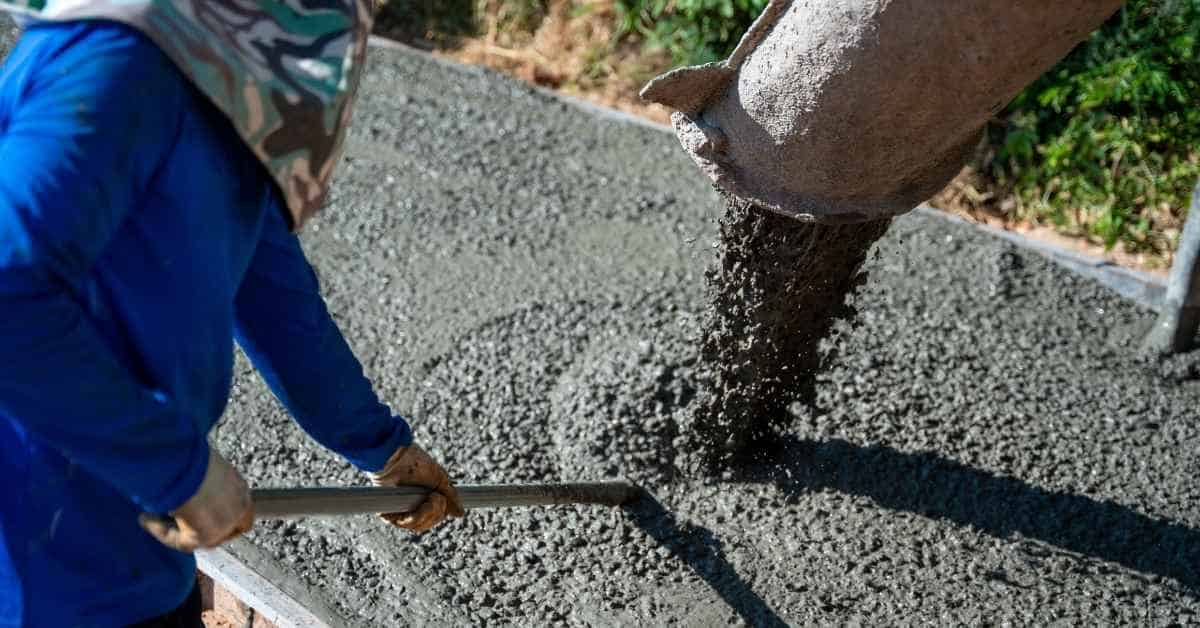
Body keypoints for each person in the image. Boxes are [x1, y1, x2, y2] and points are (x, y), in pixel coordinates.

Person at [0, 4, 464, 627]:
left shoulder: (223, 83)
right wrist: (175, 469)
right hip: (38, 555)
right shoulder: (119, 59)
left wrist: (381, 447)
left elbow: (279, 303)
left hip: (131, 548)